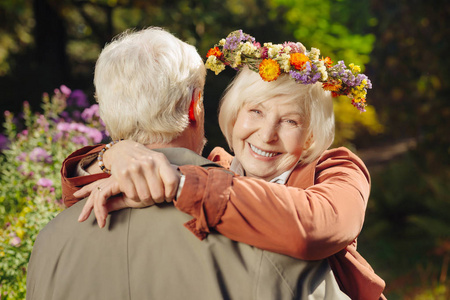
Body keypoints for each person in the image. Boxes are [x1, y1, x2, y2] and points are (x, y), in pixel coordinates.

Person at [27, 27, 349, 300]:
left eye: (289, 121)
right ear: (196, 105)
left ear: (106, 114)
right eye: (257, 112)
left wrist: (106, 156)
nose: (267, 134)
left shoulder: (50, 243)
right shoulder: (277, 241)